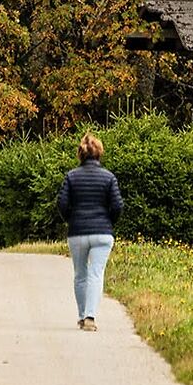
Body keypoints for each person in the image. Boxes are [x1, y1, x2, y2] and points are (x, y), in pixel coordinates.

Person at [56, 131, 123, 330]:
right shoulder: (109, 177)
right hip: (102, 232)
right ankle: (90, 317)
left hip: (77, 231)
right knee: (96, 274)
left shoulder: (71, 176)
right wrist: (108, 222)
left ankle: (81, 315)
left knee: (80, 275)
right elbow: (117, 205)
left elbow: (62, 203)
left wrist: (71, 219)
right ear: (99, 153)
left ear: (81, 154)